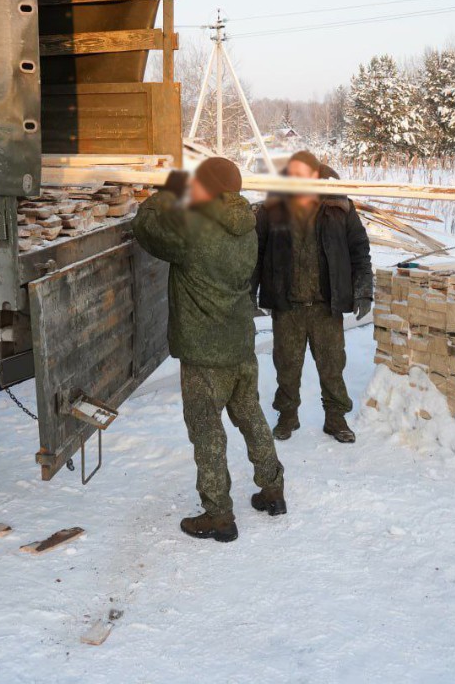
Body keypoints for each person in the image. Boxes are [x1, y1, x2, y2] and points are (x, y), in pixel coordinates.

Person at [133, 157, 286, 543]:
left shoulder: (195, 226)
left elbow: (147, 229)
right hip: (238, 343)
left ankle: (218, 515)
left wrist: (163, 197)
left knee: (207, 432)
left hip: (204, 351)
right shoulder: (247, 224)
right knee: (251, 416)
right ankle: (272, 490)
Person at [253, 151, 373, 443]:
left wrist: (363, 289)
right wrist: (248, 292)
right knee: (287, 365)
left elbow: (359, 248)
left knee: (332, 366)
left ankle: (336, 419)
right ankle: (287, 415)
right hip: (288, 303)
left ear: (316, 174)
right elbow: (255, 253)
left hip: (325, 304)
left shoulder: (339, 205)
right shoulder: (273, 207)